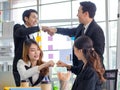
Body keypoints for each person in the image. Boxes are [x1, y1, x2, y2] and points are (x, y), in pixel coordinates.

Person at [42, 1, 105, 74]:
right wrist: (55, 30)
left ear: (86, 14)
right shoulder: (82, 27)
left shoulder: (97, 30)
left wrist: (85, 68)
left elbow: (98, 55)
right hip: (81, 70)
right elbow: (70, 31)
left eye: (79, 12)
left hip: (92, 72)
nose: (77, 15)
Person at [13, 9, 46, 86]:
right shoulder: (18, 27)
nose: (36, 20)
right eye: (34, 17)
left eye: (37, 18)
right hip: (20, 66)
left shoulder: (32, 36)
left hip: (31, 66)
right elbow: (22, 32)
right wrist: (39, 28)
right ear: (26, 18)